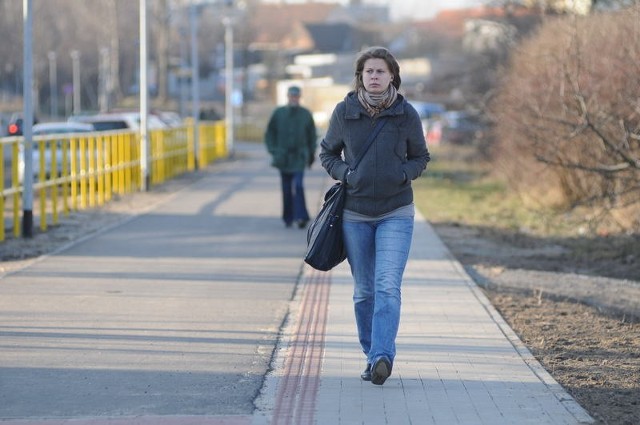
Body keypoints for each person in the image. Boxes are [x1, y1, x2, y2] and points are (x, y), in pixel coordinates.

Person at [319, 47, 430, 385]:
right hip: (355, 214)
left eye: (381, 71)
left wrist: (402, 174)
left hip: (396, 211)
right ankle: (371, 355)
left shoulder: (405, 114)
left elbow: (421, 157)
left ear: (392, 76)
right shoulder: (344, 111)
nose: (375, 77)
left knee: (387, 285)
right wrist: (346, 174)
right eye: (369, 71)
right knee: (364, 290)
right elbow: (327, 153)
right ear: (360, 76)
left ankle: (383, 355)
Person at [265, 85, 317, 228]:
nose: (294, 98)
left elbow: (312, 136)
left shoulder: (306, 114)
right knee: (286, 188)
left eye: (296, 96)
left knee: (299, 186)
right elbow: (270, 133)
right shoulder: (278, 113)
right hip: (283, 157)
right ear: (287, 97)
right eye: (292, 96)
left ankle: (301, 217)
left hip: (299, 157)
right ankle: (288, 217)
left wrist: (311, 154)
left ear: (299, 97)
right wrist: (273, 150)